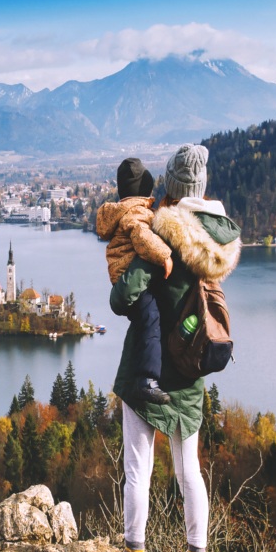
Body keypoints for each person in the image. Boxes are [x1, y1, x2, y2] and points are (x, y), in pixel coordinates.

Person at [107, 144, 241, 552]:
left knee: (137, 471)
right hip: (188, 375)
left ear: (172, 185)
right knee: (190, 474)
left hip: (145, 375)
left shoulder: (162, 232)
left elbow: (122, 298)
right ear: (201, 189)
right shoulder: (215, 243)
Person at [95, 157, 173, 405]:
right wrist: (165, 256)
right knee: (151, 318)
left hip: (122, 277)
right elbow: (142, 239)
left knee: (145, 321)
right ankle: (147, 380)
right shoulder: (136, 212)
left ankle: (144, 376)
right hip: (130, 277)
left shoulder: (123, 210)